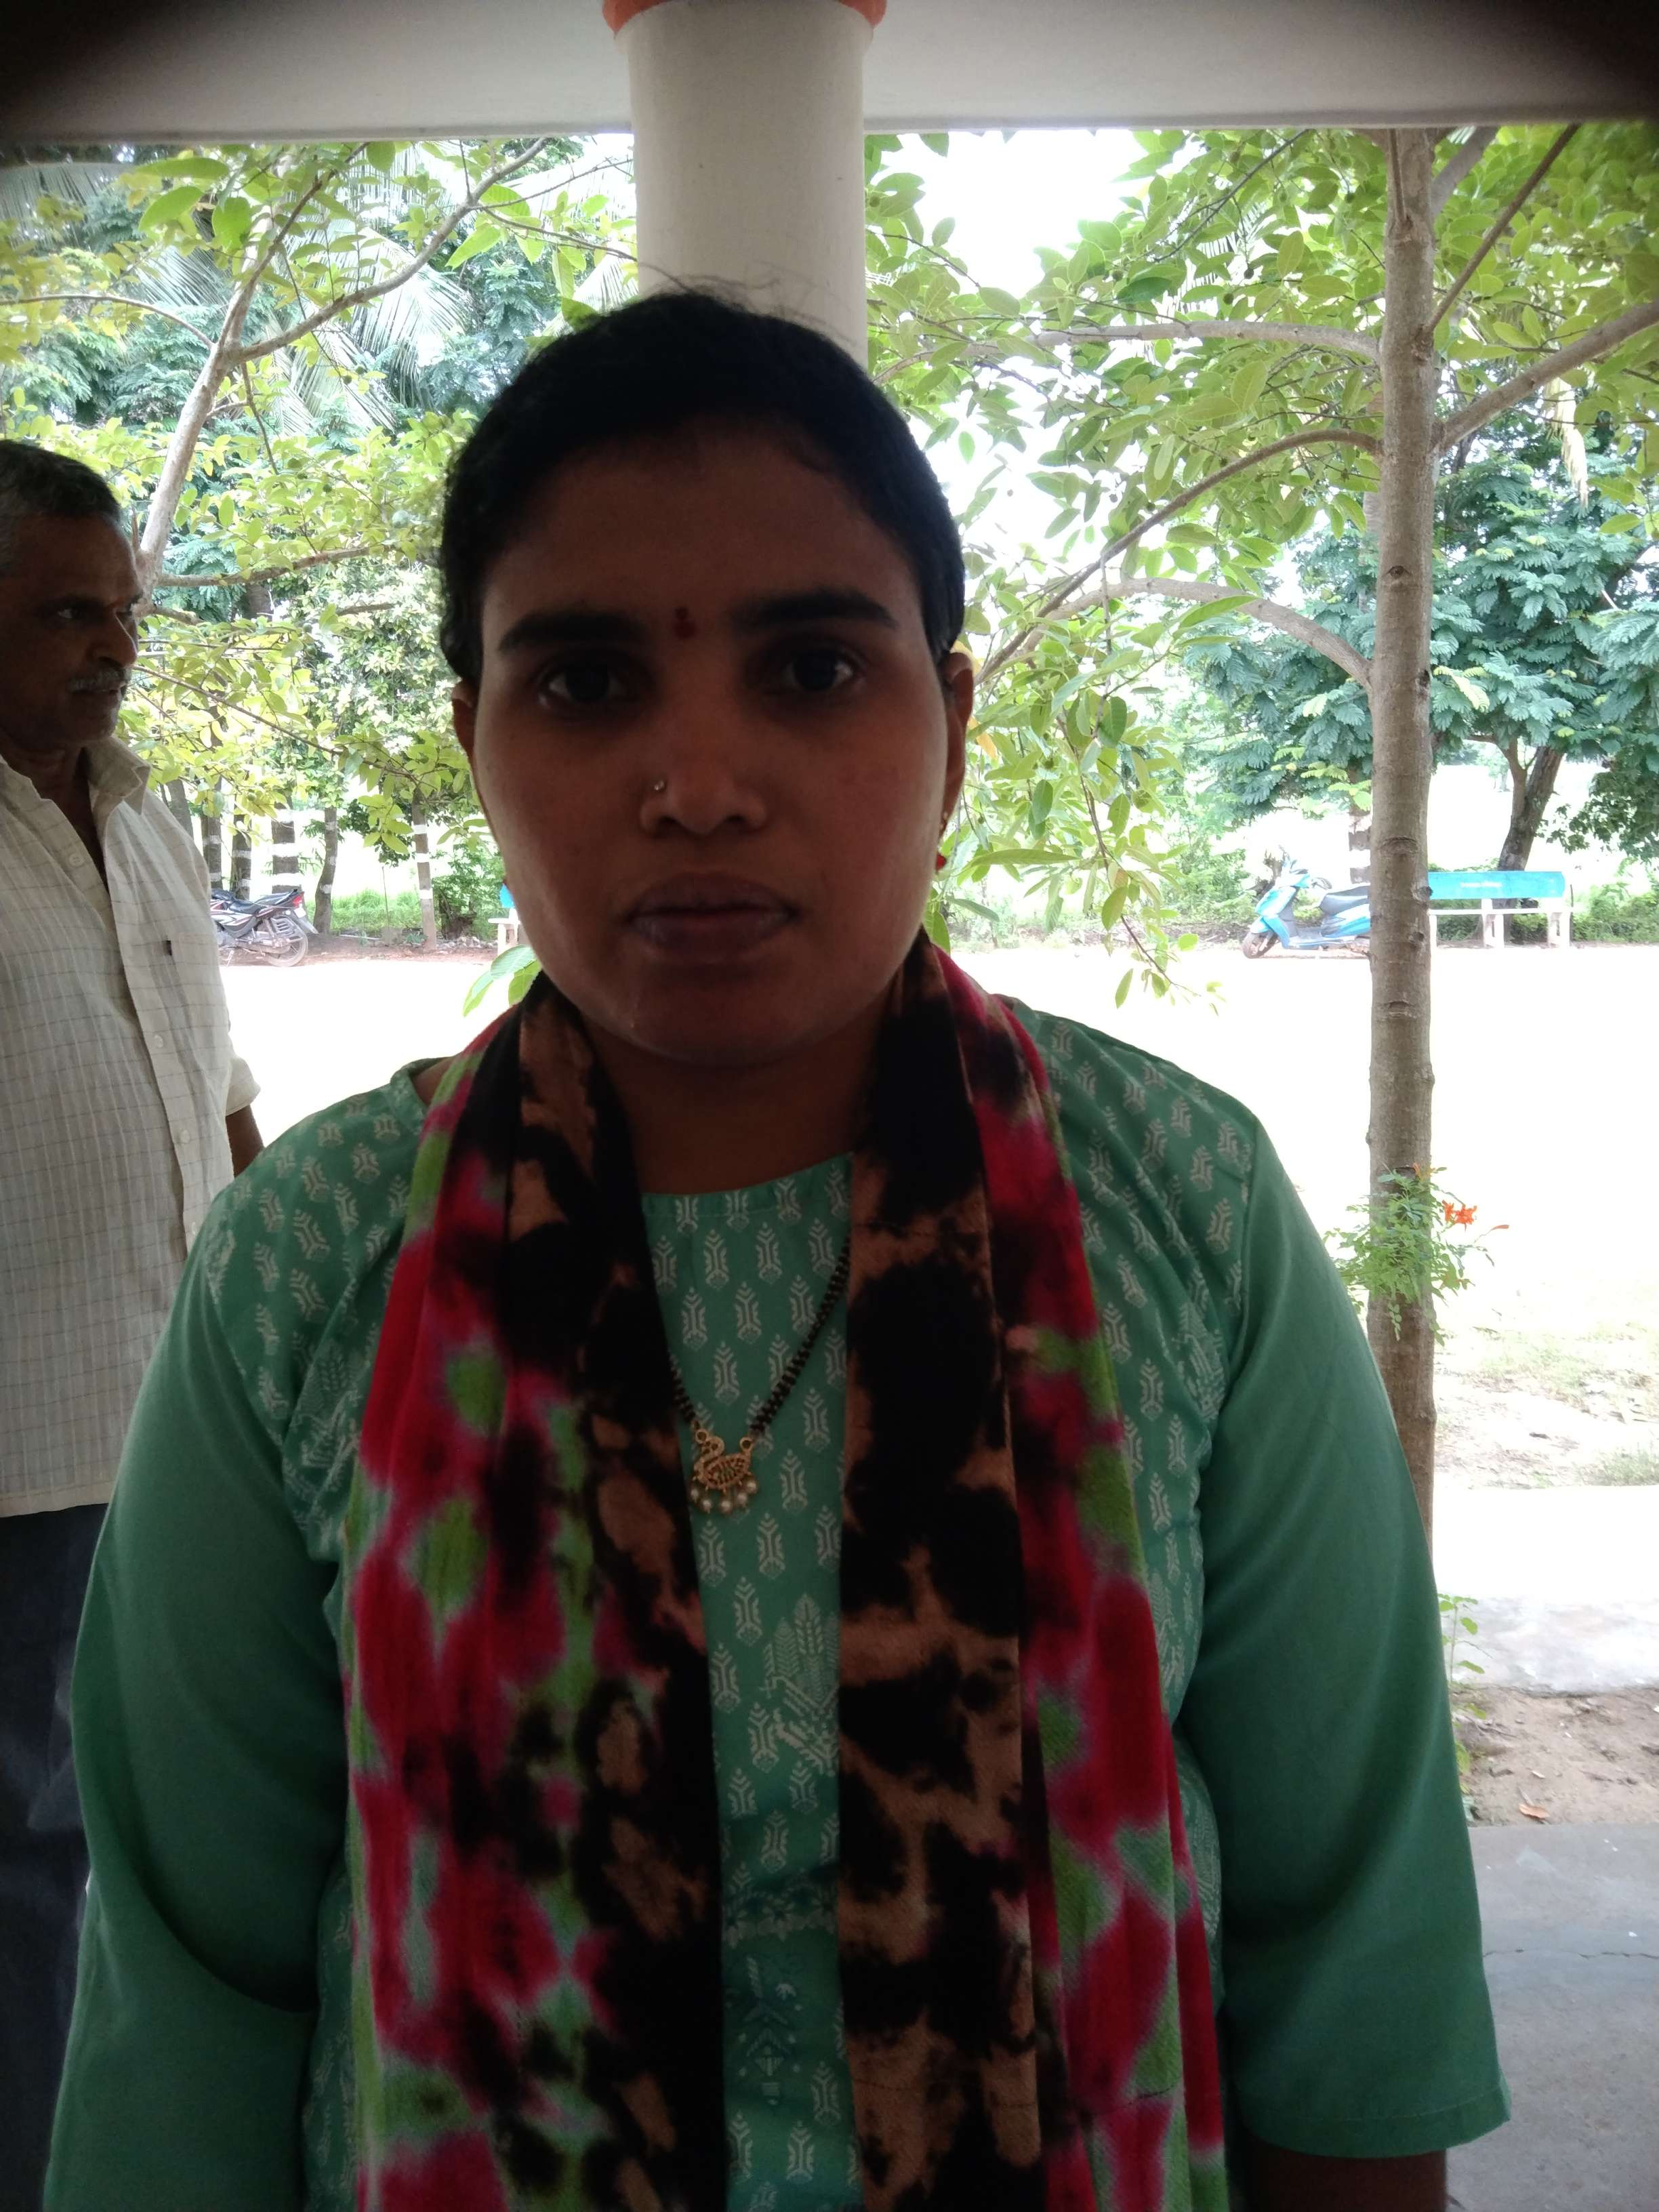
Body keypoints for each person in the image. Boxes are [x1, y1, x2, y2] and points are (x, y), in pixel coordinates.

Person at [47, 297, 1504, 2212]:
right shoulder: (313, 1260)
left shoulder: (1180, 1205)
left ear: (951, 726)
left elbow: (1347, 1932)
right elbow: (191, 1976)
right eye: (585, 684)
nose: (702, 783)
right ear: (475, 740)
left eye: (813, 669)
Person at [0, 441, 262, 2209]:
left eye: (124, 613)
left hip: (179, 1422)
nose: (112, 646)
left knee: (157, 1829)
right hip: (24, 1449)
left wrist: (274, 1330)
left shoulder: (150, 817)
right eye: (64, 615)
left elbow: (219, 1090)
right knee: (27, 1848)